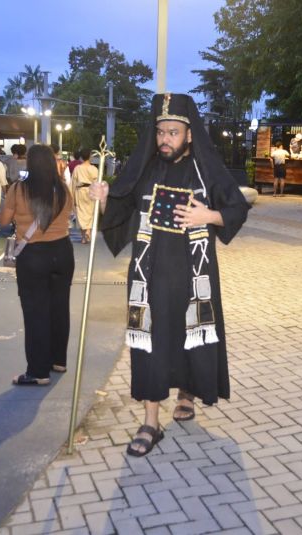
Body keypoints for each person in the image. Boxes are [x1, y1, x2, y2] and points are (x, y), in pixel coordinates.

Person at [89, 93, 249, 457]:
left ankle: (186, 394)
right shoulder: (145, 170)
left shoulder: (206, 171)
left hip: (193, 279)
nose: (165, 139)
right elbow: (120, 213)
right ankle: (150, 422)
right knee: (150, 346)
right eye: (160, 132)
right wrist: (104, 198)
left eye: (173, 132)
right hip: (148, 279)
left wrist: (208, 216)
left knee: (190, 339)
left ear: (189, 135)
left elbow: (237, 208)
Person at [0, 145, 74, 385]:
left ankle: (38, 372)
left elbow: (3, 221)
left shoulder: (18, 189)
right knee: (59, 308)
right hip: (62, 252)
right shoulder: (62, 189)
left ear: (29, 164)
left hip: (33, 255)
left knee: (35, 313)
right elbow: (69, 214)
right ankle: (58, 360)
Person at [71, 148, 99, 244]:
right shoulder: (94, 169)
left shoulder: (77, 168)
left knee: (81, 213)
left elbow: (73, 182)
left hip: (80, 191)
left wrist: (72, 194)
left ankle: (83, 237)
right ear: (90, 156)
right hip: (91, 191)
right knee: (90, 213)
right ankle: (88, 231)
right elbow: (97, 182)